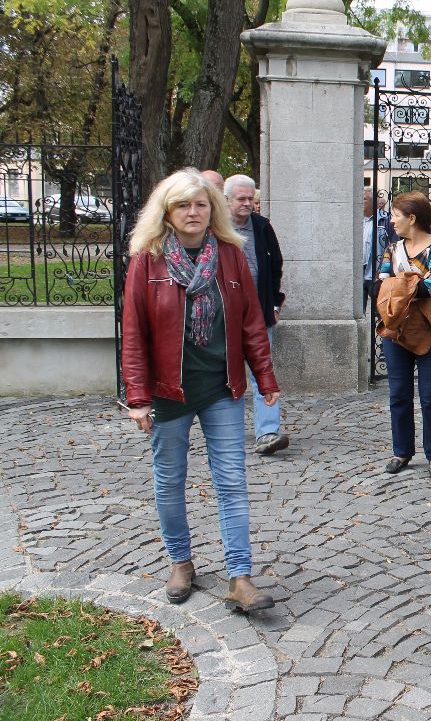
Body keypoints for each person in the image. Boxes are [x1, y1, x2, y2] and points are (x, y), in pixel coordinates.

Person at [121, 168, 278, 612]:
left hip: (221, 387)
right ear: (167, 212)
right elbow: (133, 332)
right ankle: (181, 562)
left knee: (231, 482)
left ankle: (240, 577)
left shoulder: (230, 254)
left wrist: (265, 378)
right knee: (170, 481)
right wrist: (138, 397)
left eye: (201, 204)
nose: (193, 212)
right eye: (183, 205)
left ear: (213, 209)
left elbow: (251, 322)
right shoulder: (147, 259)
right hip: (168, 392)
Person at [376, 192, 431, 477]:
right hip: (396, 330)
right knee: (399, 394)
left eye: (396, 215)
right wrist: (409, 285)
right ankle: (402, 452)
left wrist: (400, 286)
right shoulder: (392, 249)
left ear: (412, 218)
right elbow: (381, 286)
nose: (392, 220)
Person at [225, 174, 289, 456]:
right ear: (226, 199)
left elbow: (276, 265)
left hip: (259, 313)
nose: (247, 203)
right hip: (225, 316)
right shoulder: (213, 228)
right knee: (227, 375)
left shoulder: (262, 226)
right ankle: (228, 431)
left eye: (251, 199)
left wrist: (274, 304)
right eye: (241, 198)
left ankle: (268, 432)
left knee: (262, 372)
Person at [362, 187, 391, 312]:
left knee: (380, 310)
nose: (360, 201)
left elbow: (393, 245)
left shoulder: (386, 220)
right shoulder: (356, 220)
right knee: (357, 310)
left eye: (364, 199)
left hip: (376, 271)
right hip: (358, 271)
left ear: (373, 202)